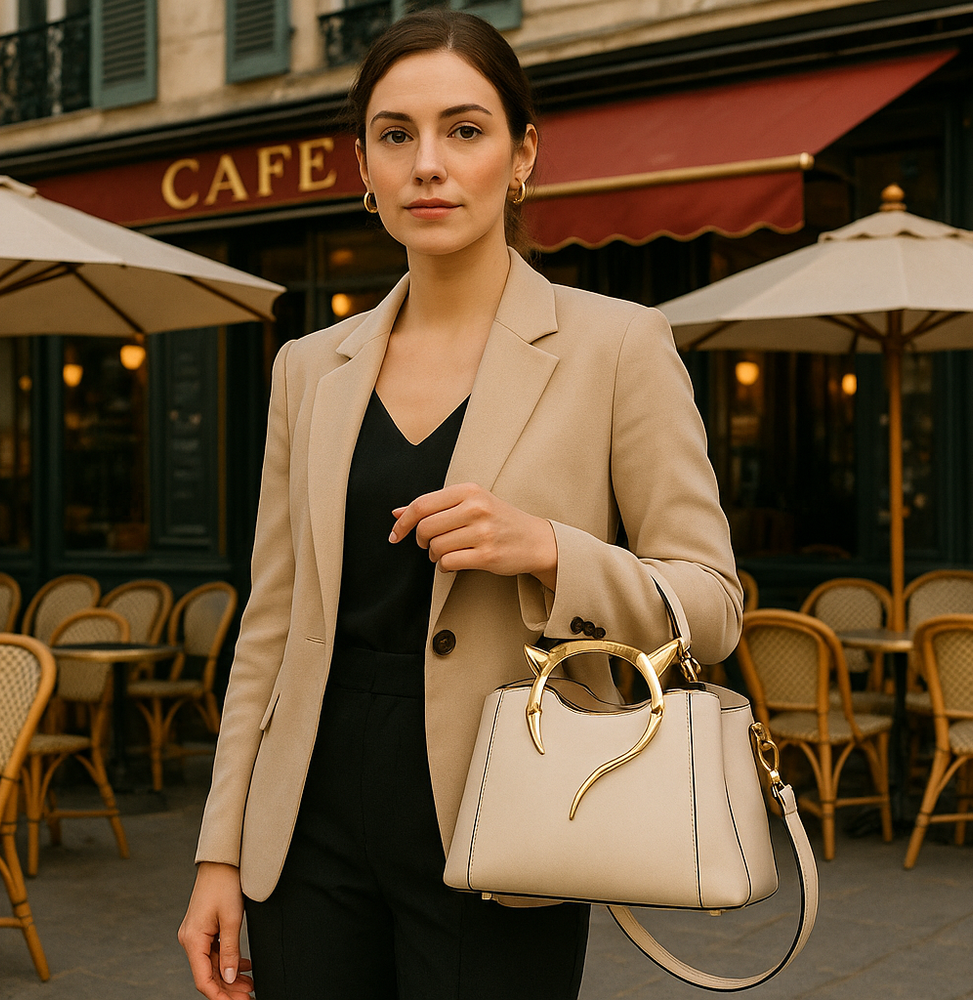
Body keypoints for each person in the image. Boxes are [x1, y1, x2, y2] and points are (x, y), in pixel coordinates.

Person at [178, 9, 743, 999]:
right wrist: (219, 852)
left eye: (465, 130)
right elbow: (268, 630)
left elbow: (714, 605)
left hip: (510, 813)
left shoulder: (618, 347)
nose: (427, 164)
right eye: (396, 135)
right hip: (306, 827)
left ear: (523, 155)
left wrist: (552, 551)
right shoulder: (308, 369)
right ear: (363, 166)